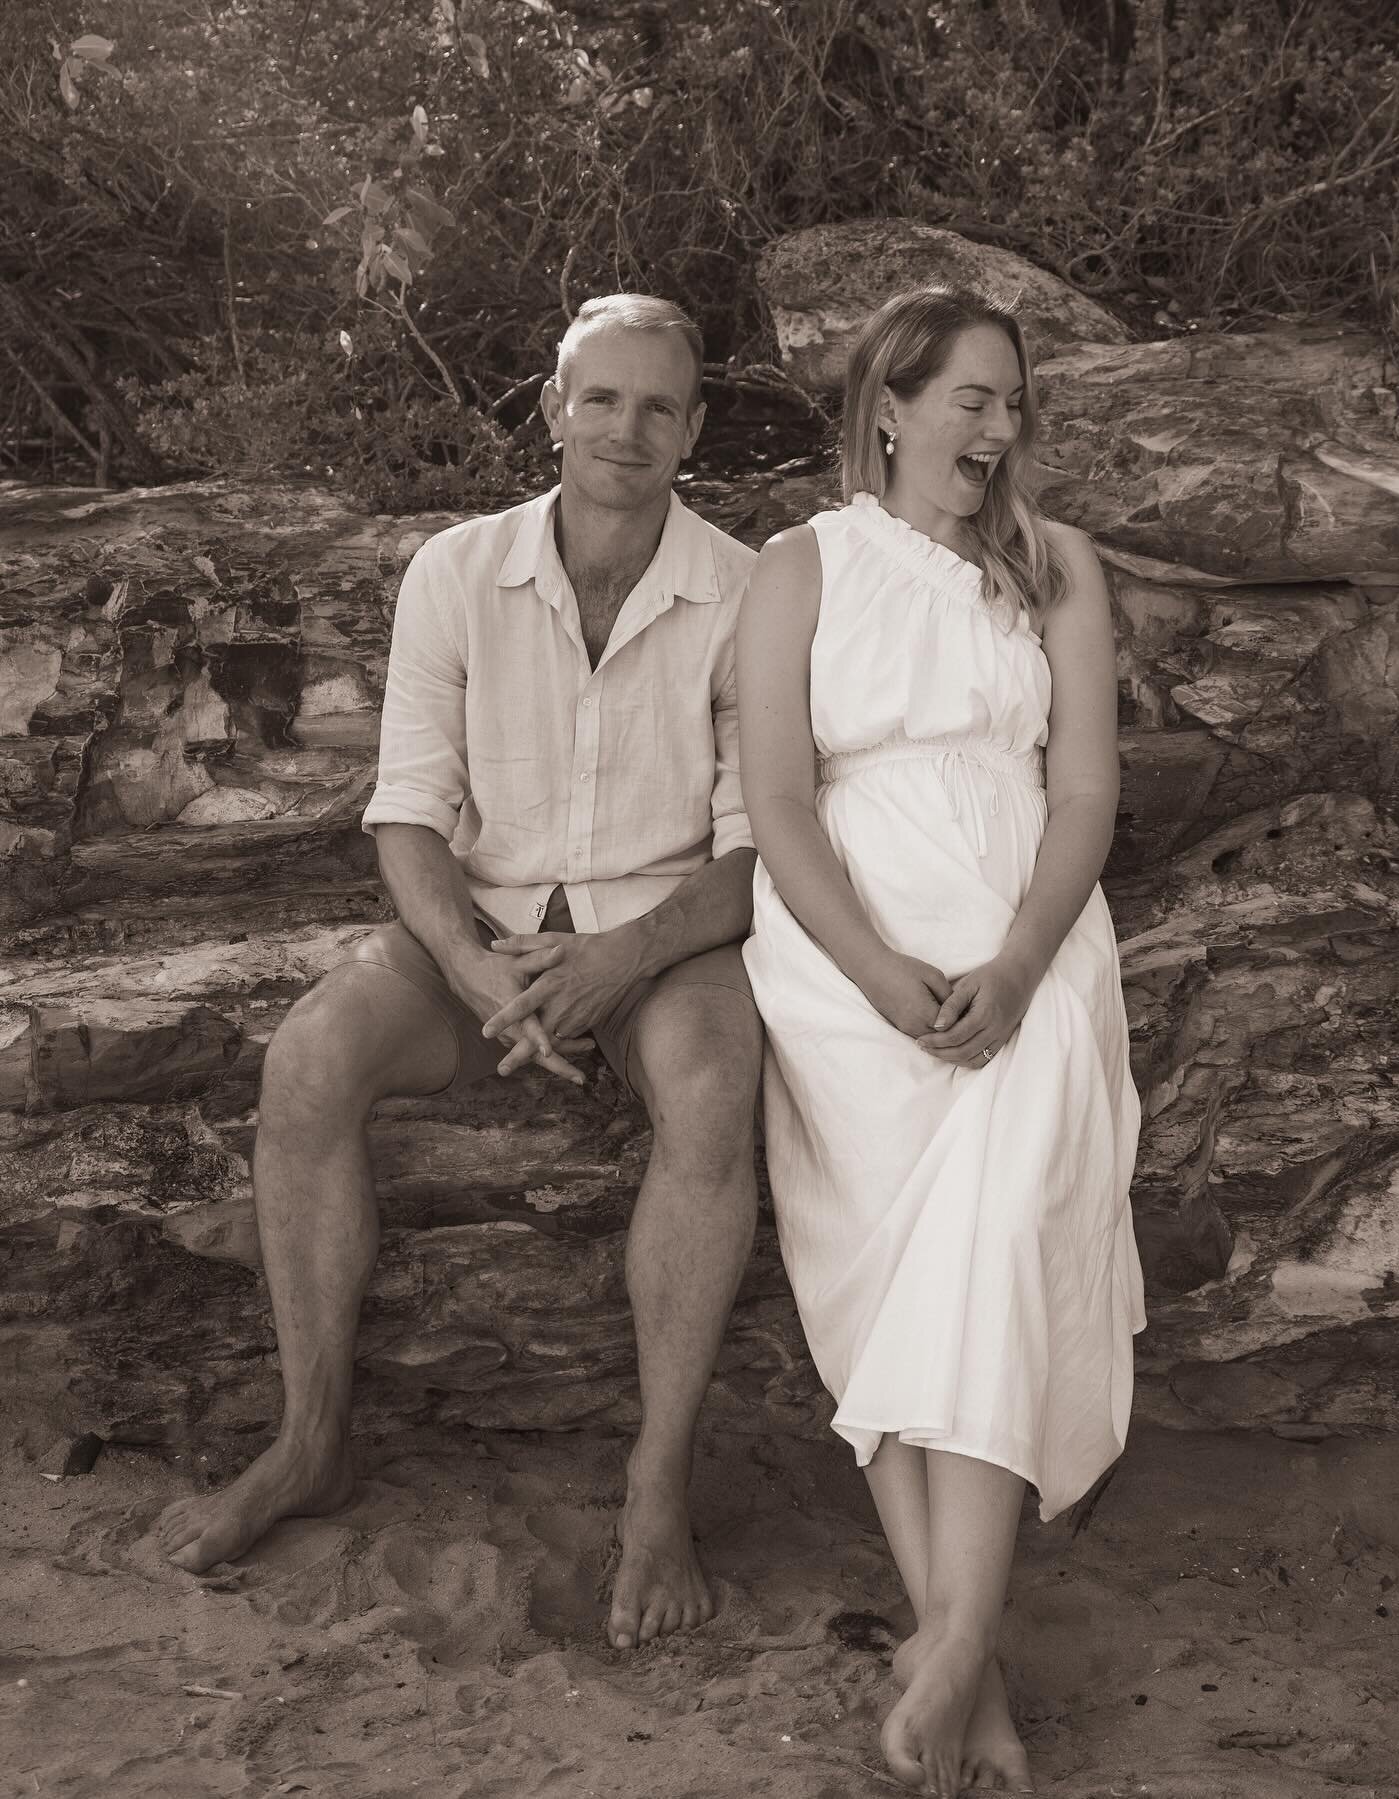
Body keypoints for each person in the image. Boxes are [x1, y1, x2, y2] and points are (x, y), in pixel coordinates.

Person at [156, 295, 764, 1653]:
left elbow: (751, 851)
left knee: (719, 1090)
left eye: (658, 407)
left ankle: (656, 1489)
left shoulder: (747, 590)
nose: (626, 429)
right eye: (599, 400)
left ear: (695, 430)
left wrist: (624, 958)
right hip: (477, 924)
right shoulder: (454, 571)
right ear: (551, 411)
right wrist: (478, 973)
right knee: (307, 1057)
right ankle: (309, 1440)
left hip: (665, 934)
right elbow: (409, 813)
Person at [737, 285, 1146, 1795]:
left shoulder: (1056, 572)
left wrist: (1021, 961)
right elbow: (779, 801)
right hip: (850, 962)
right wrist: (881, 971)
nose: (995, 427)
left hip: (1026, 950)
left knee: (990, 1226)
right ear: (888, 409)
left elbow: (1089, 795)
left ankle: (957, 1647)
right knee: (904, 1285)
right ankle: (967, 1668)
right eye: (969, 397)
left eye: (1012, 404)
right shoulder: (802, 565)